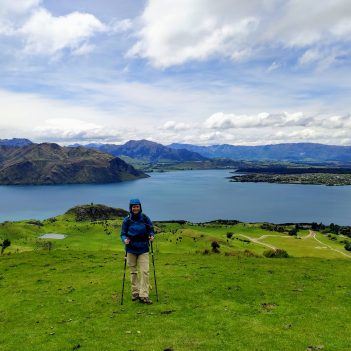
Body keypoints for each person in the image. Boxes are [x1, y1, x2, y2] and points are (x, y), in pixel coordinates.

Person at [120, 198, 155, 304]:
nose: (135, 208)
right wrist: (124, 239)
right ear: (130, 208)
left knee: (145, 272)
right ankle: (135, 292)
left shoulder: (145, 218)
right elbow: (123, 233)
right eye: (133, 206)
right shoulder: (127, 220)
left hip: (143, 248)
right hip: (131, 249)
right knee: (133, 272)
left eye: (137, 206)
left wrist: (151, 235)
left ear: (140, 207)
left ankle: (144, 295)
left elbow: (151, 229)